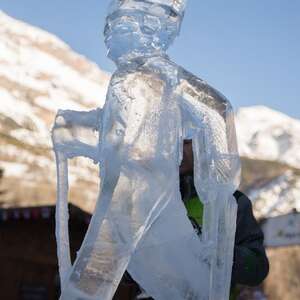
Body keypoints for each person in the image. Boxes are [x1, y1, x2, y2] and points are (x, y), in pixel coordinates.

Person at [114, 139, 269, 300]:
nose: (177, 149)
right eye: (171, 138)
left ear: (205, 144)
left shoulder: (229, 202)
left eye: (186, 142)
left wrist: (223, 254)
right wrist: (135, 264)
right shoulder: (148, 201)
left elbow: (258, 268)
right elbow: (124, 269)